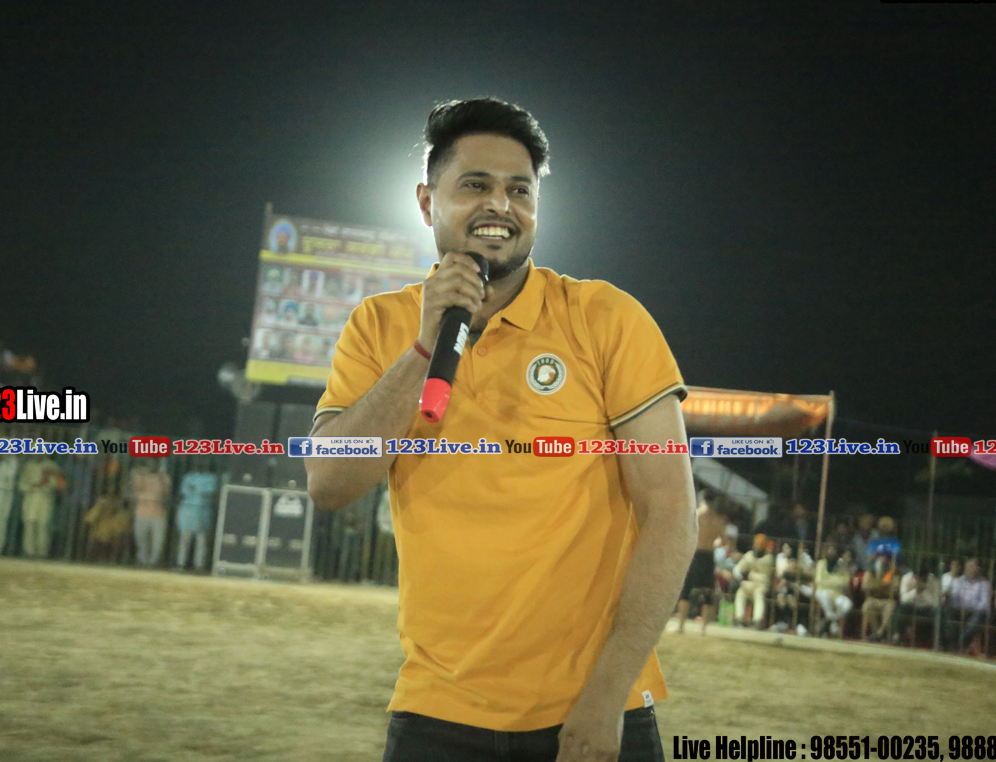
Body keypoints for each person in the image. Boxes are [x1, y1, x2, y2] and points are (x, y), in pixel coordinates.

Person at [305, 98, 697, 761]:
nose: (500, 205)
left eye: (520, 190)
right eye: (476, 185)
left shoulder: (606, 318)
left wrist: (606, 697)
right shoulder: (378, 325)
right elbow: (329, 483)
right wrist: (424, 347)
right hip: (437, 710)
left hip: (593, 709)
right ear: (427, 202)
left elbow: (670, 514)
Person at [670, 491, 734, 635]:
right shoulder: (719, 519)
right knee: (707, 591)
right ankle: (703, 628)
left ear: (702, 500)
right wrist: (713, 543)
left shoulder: (696, 515)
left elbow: (684, 533)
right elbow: (724, 541)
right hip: (708, 555)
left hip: (695, 554)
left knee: (686, 589)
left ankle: (680, 625)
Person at [18, 455, 65, 558]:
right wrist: (32, 486)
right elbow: (21, 484)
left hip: (45, 498)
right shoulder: (28, 465)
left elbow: (56, 484)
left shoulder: (52, 466)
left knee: (43, 525)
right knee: (29, 524)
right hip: (30, 498)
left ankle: (42, 553)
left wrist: (46, 482)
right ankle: (28, 552)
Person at [944, 558, 991, 653]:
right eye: (970, 567)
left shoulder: (984, 583)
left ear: (978, 569)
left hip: (975, 612)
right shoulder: (959, 581)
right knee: (948, 612)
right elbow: (954, 599)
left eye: (974, 567)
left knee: (978, 617)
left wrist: (970, 608)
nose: (972, 570)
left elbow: (984, 604)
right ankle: (951, 643)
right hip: (959, 610)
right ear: (965, 568)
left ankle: (960, 644)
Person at [175, 465, 217, 570]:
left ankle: (199, 565)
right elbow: (184, 491)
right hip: (188, 510)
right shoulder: (188, 476)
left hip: (202, 510)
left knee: (201, 539)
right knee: (185, 538)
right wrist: (199, 491)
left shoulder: (211, 477)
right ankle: (181, 563)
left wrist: (195, 490)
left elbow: (209, 493)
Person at [131, 460, 171, 566]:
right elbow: (135, 489)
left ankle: (154, 562)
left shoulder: (163, 477)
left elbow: (167, 494)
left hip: (158, 513)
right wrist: (140, 475)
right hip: (141, 512)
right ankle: (142, 561)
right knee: (140, 539)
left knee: (158, 541)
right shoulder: (140, 476)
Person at [733, 534, 775, 629]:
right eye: (757, 545)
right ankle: (739, 618)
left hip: (761, 585)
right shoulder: (749, 556)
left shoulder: (769, 558)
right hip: (749, 583)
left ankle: (757, 620)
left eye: (760, 545)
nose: (758, 548)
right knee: (740, 593)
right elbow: (738, 568)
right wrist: (739, 576)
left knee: (758, 595)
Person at [897, 564, 941, 646]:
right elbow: (903, 599)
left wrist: (923, 592)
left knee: (938, 611)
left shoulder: (934, 581)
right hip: (912, 607)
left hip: (927, 609)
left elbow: (935, 603)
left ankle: (938, 641)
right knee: (901, 608)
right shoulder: (907, 578)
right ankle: (897, 636)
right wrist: (915, 591)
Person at [861, 551, 900, 642]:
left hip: (887, 600)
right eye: (881, 557)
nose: (883, 560)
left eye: (886, 557)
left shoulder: (894, 572)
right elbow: (866, 587)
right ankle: (876, 633)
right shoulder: (871, 571)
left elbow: (894, 590)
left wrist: (876, 586)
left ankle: (880, 633)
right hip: (873, 598)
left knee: (891, 607)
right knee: (867, 606)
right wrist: (884, 585)